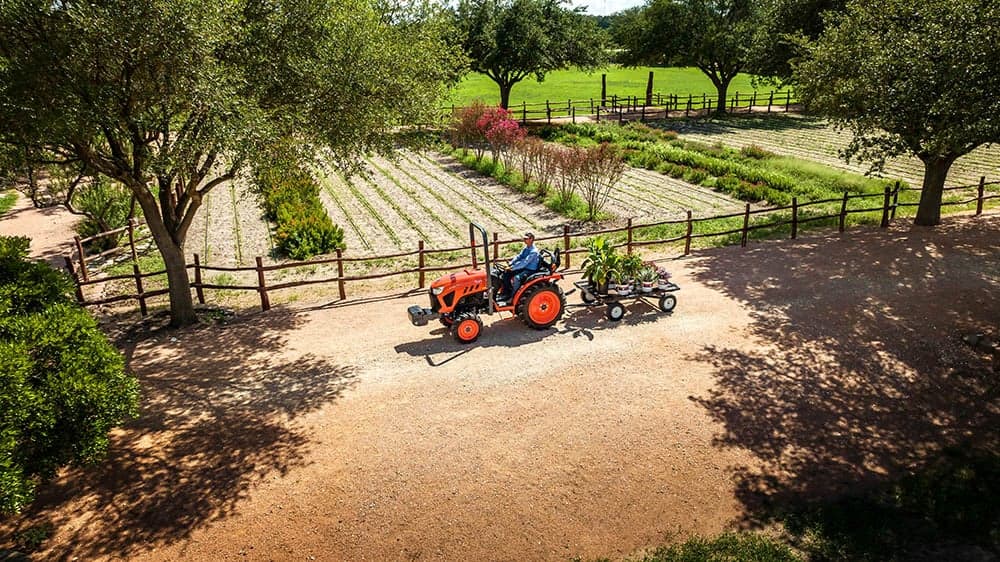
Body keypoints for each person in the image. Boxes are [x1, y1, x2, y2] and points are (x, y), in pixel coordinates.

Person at [498, 232, 539, 301]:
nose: (524, 240)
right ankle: (506, 292)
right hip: (524, 267)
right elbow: (519, 256)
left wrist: (513, 268)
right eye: (524, 238)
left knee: (517, 278)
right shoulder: (526, 248)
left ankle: (513, 297)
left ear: (531, 239)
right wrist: (511, 263)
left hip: (530, 270)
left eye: (526, 239)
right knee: (506, 273)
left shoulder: (533, 251)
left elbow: (524, 262)